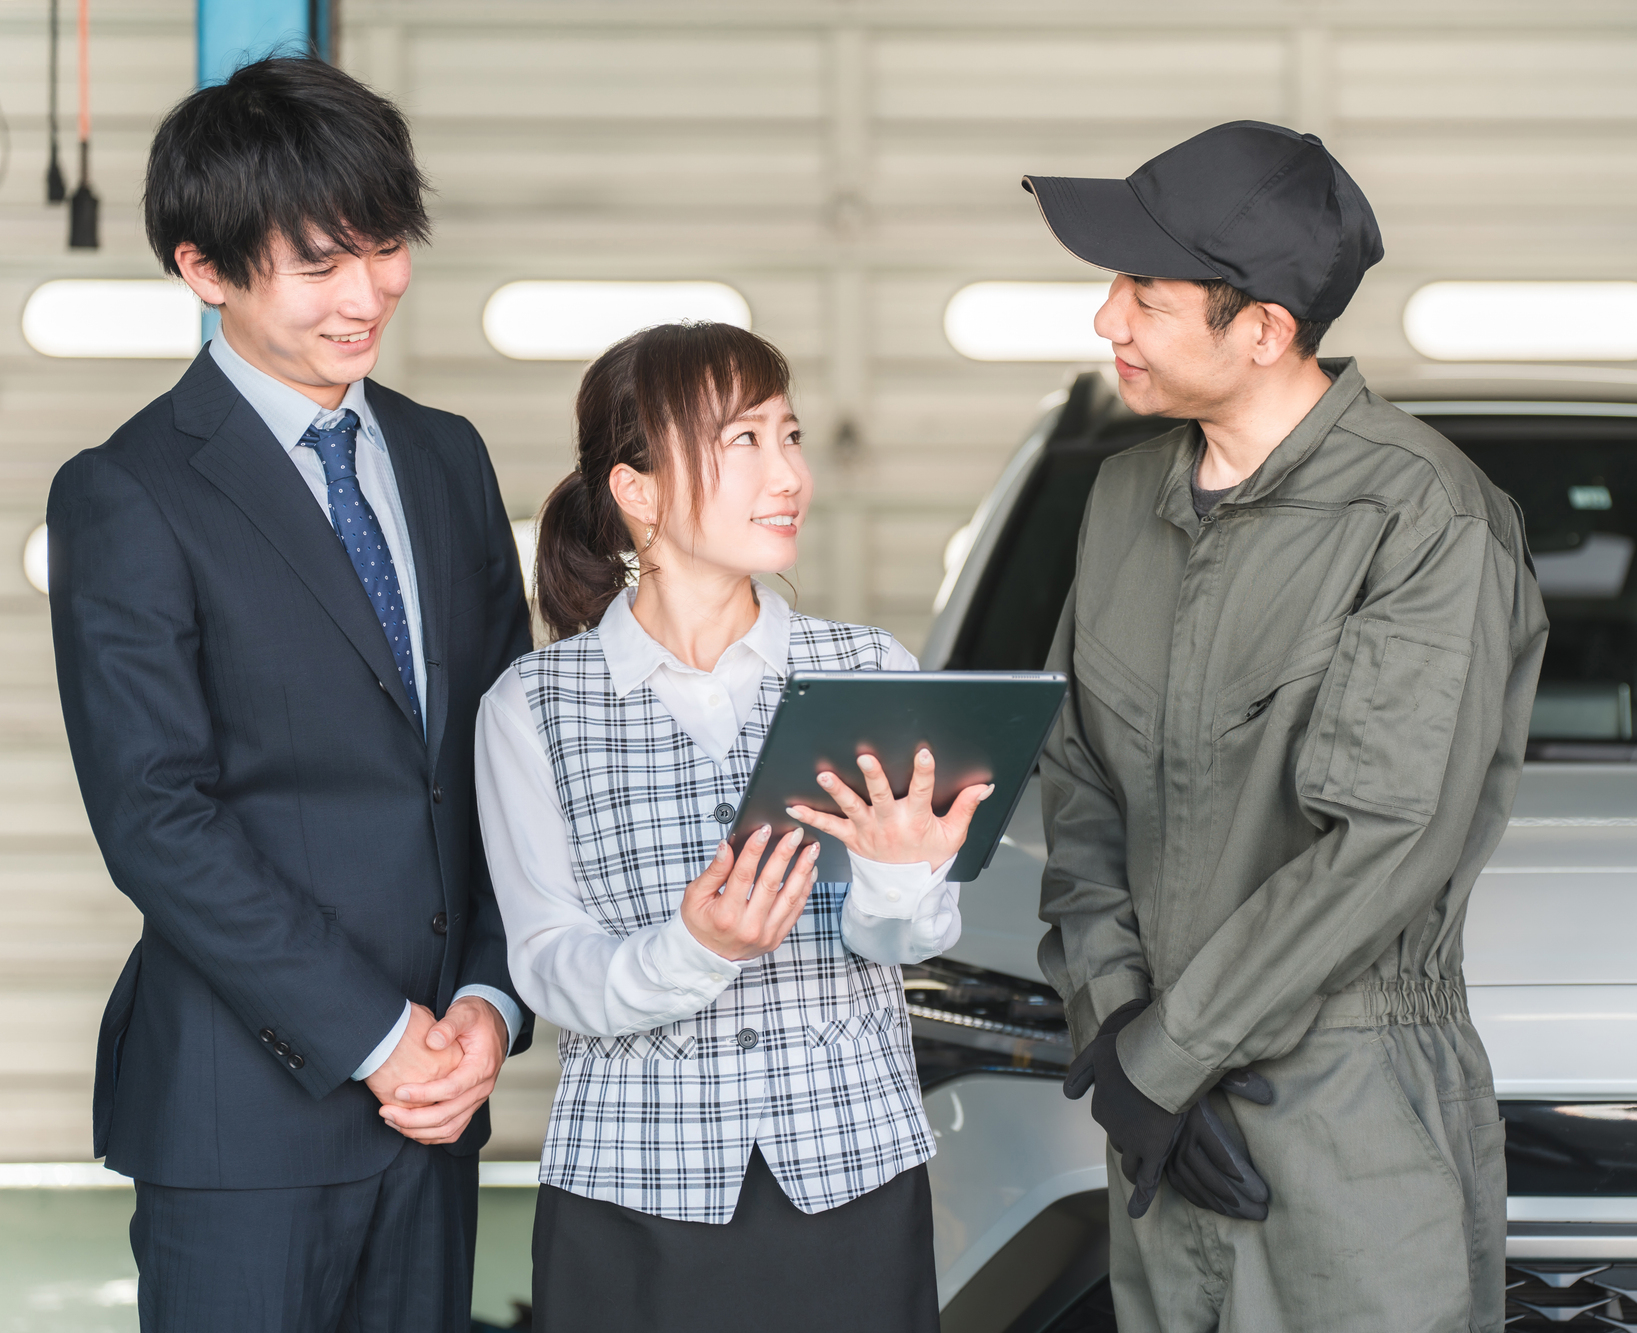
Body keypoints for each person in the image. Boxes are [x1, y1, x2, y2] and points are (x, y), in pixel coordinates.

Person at [1026, 121, 1549, 1332]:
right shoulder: (1119, 501)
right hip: (1153, 1121)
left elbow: (1382, 841)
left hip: (1351, 1112)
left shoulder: (1422, 522)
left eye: (1145, 297)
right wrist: (1118, 1038)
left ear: (1261, 329)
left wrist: (1168, 1059)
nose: (1107, 321)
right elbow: (1078, 782)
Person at [46, 57, 533, 1332]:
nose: (367, 295)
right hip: (241, 1123)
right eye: (319, 265)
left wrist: (487, 1002)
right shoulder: (130, 492)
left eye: (384, 249)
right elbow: (158, 818)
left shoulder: (444, 458)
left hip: (439, 1109)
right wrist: (381, 1038)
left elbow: (502, 758)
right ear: (204, 270)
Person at [475, 320, 985, 1331]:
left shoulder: (868, 670)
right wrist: (692, 948)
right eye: (742, 441)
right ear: (639, 490)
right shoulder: (533, 705)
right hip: (632, 1196)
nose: (787, 471)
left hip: (850, 1181)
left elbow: (915, 937)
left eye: (787, 436)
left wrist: (896, 880)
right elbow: (548, 964)